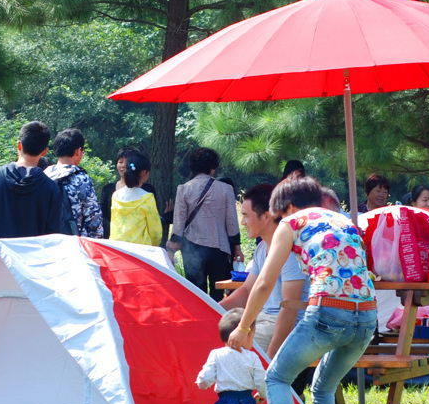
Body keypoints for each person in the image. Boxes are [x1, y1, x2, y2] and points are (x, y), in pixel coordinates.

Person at [227, 176, 375, 404]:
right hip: (367, 316)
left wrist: (243, 326)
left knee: (276, 378)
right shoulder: (342, 219)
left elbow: (266, 283)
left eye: (279, 213)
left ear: (289, 207)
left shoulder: (291, 223)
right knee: (323, 388)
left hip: (328, 312)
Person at [220, 184, 307, 356]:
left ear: (266, 216)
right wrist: (212, 309)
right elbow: (246, 290)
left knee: (228, 349)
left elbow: (290, 308)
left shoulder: (290, 250)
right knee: (219, 329)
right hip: (262, 319)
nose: (242, 222)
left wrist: (271, 358)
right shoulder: (262, 248)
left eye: (245, 215)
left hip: (290, 326)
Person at [0, 122, 65, 255]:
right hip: (31, 266)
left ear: (19, 145)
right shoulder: (51, 189)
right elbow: (52, 237)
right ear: (44, 152)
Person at [169, 147, 242, 300]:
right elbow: (232, 224)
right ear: (213, 167)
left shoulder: (183, 189)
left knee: (197, 296)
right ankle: (217, 322)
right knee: (218, 293)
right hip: (219, 249)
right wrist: (237, 248)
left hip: (192, 249)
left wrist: (172, 249)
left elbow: (178, 225)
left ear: (193, 166)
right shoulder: (226, 189)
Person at [45, 128, 105, 238]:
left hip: (47, 242)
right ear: (78, 151)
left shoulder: (44, 175)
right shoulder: (81, 179)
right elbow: (93, 218)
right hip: (75, 244)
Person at [100, 147, 158, 234]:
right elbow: (103, 216)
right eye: (120, 162)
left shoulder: (148, 190)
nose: (123, 165)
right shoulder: (108, 190)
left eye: (127, 162)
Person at [110, 152, 162, 246]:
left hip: (117, 248)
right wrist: (154, 246)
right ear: (144, 173)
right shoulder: (147, 198)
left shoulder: (116, 196)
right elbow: (155, 232)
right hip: (139, 251)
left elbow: (113, 225)